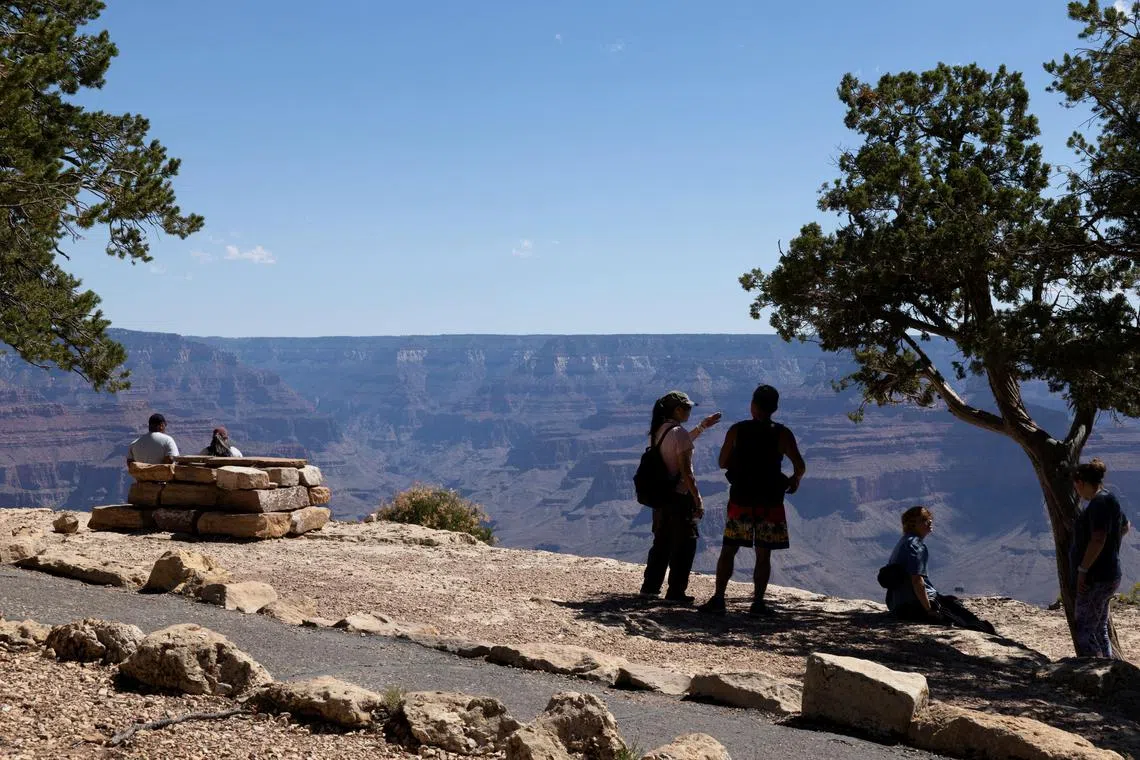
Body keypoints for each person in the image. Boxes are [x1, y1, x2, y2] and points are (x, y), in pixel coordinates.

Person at [698, 384, 805, 616]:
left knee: (729, 549)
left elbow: (722, 462)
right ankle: (758, 603)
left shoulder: (737, 430)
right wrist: (794, 480)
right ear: (775, 407)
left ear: (753, 406)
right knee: (764, 553)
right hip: (770, 501)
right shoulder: (783, 433)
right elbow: (800, 465)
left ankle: (718, 599)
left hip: (741, 499)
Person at [639, 390, 722, 604]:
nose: (690, 411)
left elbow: (679, 441)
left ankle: (650, 587)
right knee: (685, 545)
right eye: (687, 407)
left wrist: (702, 426)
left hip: (662, 496)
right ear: (677, 410)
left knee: (662, 542)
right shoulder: (679, 433)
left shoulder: (659, 430)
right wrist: (698, 499)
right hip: (679, 497)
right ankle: (676, 592)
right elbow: (687, 472)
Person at [882, 506, 995, 634]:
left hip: (897, 605)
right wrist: (929, 610)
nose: (930, 522)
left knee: (951, 601)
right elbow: (917, 581)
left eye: (930, 518)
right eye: (924, 519)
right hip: (914, 605)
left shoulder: (903, 541)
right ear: (913, 524)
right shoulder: (917, 546)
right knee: (971, 622)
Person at [1071, 458, 1130, 658]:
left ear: (1080, 482)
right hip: (1110, 573)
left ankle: (1094, 672)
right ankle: (1108, 668)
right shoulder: (1109, 498)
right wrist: (1112, 549)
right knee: (1099, 627)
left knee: (1084, 628)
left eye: (1076, 485)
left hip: (1096, 577)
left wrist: (1083, 570)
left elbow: (1097, 539)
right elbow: (1125, 526)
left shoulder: (1098, 503)